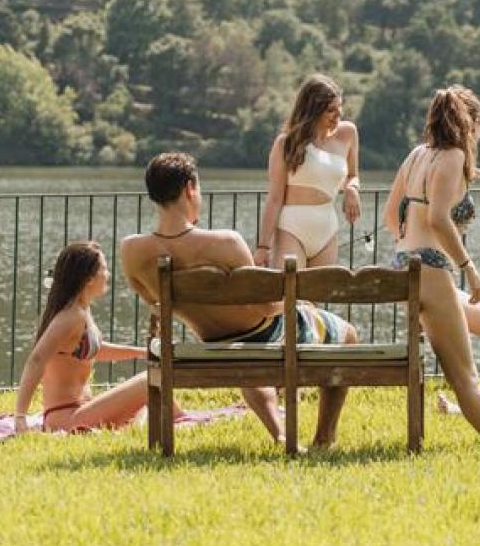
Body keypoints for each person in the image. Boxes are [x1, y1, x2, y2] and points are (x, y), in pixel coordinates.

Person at [121, 151, 358, 449]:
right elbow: (265, 304)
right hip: (264, 335)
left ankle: (281, 433)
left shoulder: (132, 251)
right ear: (189, 189)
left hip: (212, 341)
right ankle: (324, 439)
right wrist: (296, 302)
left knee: (250, 345)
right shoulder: (224, 242)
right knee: (346, 334)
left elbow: (154, 303)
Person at [383, 85, 480, 447]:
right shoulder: (451, 158)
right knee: (464, 378)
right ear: (472, 123)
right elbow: (437, 218)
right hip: (432, 271)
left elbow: (390, 216)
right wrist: (469, 268)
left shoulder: (417, 155)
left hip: (407, 266)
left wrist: (409, 249)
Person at [13, 241, 157, 434]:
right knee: (151, 381)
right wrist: (20, 417)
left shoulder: (82, 309)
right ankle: (183, 419)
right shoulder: (71, 316)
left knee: (145, 405)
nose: (108, 275)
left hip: (82, 411)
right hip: (67, 418)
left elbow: (94, 349)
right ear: (89, 279)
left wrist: (141, 352)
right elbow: (36, 359)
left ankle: (134, 428)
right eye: (104, 269)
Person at [255, 74, 360, 269]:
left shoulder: (348, 134)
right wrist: (263, 246)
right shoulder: (286, 143)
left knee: (315, 298)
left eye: (340, 108)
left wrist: (352, 189)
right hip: (291, 228)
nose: (338, 115)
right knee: (288, 296)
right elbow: (275, 198)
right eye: (331, 110)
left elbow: (353, 175)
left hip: (327, 230)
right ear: (313, 110)